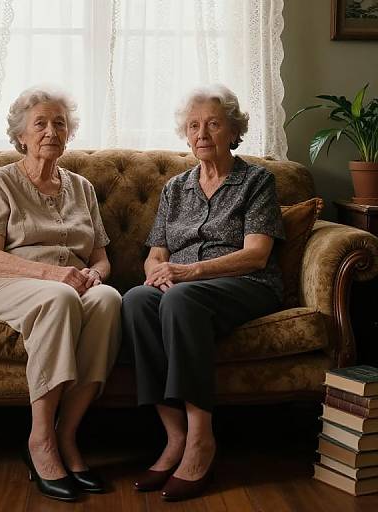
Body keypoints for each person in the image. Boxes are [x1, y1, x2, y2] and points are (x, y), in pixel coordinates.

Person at [122, 84, 285, 501]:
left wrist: (190, 271)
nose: (202, 134)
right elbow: (156, 252)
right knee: (138, 300)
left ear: (234, 131)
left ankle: (201, 439)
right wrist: (156, 273)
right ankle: (174, 436)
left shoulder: (256, 182)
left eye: (213, 124)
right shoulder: (176, 188)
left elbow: (256, 255)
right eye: (193, 126)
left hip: (246, 284)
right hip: (185, 286)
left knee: (179, 297)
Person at [0, 86, 121, 502]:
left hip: (67, 284)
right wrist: (56, 276)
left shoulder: (83, 188)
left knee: (109, 301)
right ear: (21, 136)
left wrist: (95, 277)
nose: (51, 130)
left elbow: (102, 258)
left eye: (60, 123)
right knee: (60, 298)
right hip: (4, 284)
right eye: (41, 123)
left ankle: (67, 436)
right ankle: (40, 441)